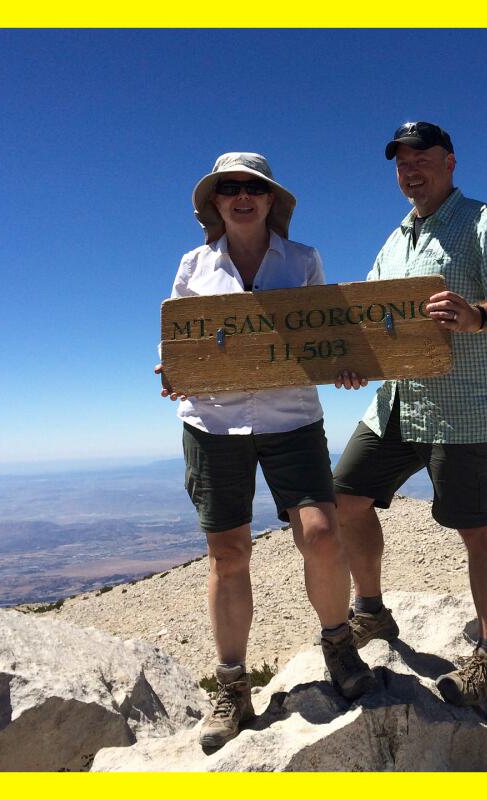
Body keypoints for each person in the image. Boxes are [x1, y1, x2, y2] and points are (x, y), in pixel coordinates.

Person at [155, 152, 374, 752]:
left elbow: (325, 334)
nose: (242, 196)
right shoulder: (193, 265)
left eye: (254, 187)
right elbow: (181, 339)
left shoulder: (303, 260)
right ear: (215, 201)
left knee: (321, 533)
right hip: (213, 422)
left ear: (271, 199)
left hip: (291, 419)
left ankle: (338, 645)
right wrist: (172, 368)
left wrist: (343, 365)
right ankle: (232, 686)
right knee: (228, 552)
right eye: (230, 188)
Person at [331, 122, 487, 706]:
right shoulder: (395, 240)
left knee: (475, 529)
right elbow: (371, 318)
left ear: (449, 161)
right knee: (344, 496)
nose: (410, 169)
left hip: (462, 407)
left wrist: (476, 314)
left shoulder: (483, 220)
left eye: (421, 158)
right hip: (395, 401)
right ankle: (371, 611)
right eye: (401, 162)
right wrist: (357, 363)